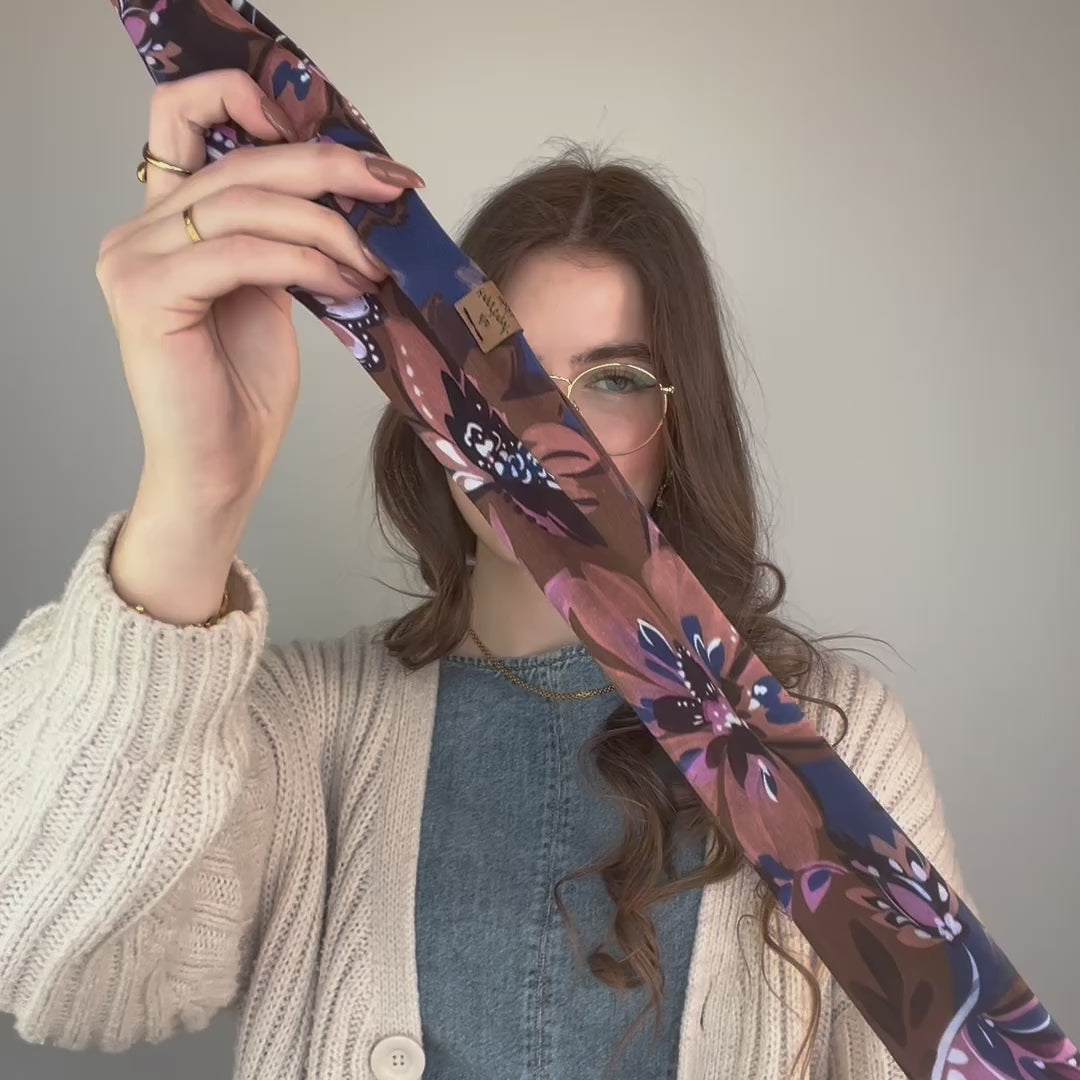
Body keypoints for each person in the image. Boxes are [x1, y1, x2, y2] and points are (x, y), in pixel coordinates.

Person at [0, 69, 970, 1080]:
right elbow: (56, 975)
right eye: (504, 369)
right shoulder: (299, 732)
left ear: (682, 426)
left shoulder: (836, 740)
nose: (551, 433)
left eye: (615, 379)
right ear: (426, 396)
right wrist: (196, 487)